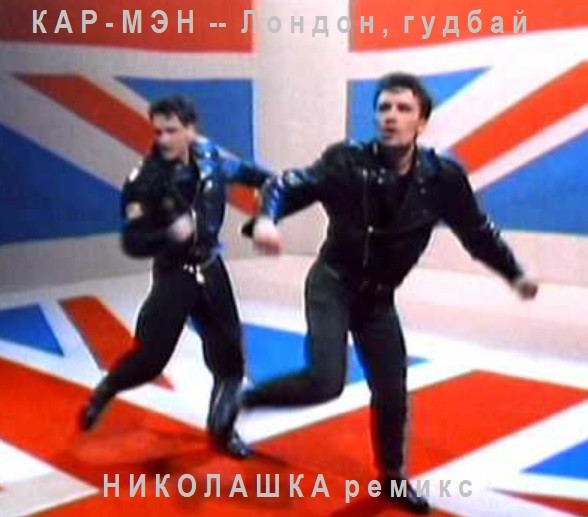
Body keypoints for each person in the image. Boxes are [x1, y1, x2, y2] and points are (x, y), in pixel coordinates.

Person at [245, 72, 539, 512]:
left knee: (392, 391)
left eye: (403, 109)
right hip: (333, 283)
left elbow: (477, 232)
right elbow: (288, 184)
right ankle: (248, 398)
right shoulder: (347, 161)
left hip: (378, 299)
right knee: (326, 382)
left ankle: (393, 477)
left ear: (422, 122)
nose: (391, 117)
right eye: (383, 108)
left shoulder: (443, 179)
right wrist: (267, 218)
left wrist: (513, 273)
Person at [80, 95, 274, 459]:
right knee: (151, 360)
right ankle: (107, 389)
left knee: (230, 360)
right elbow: (132, 240)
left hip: (211, 267)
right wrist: (170, 234)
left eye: (171, 131)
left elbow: (252, 175)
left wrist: (271, 201)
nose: (164, 139)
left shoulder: (210, 158)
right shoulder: (145, 180)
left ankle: (222, 431)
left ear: (190, 130)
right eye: (158, 132)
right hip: (174, 273)